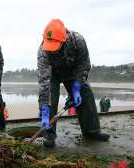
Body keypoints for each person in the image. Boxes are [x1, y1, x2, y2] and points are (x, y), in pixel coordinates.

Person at [37, 18, 110, 147]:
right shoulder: (43, 51)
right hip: (52, 75)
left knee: (85, 92)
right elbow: (44, 81)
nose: (51, 50)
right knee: (50, 99)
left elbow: (84, 65)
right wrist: (44, 108)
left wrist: (76, 89)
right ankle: (49, 135)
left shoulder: (78, 41)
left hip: (73, 73)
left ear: (64, 40)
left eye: (55, 46)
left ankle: (91, 131)